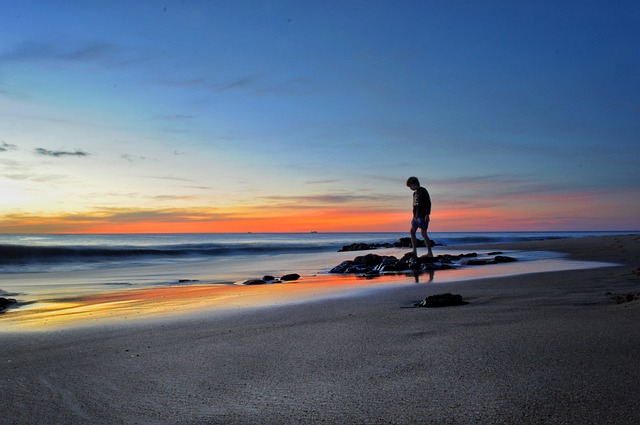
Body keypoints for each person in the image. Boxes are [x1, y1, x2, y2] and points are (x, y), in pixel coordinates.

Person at [406, 176, 433, 257]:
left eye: (411, 186)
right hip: (416, 216)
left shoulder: (423, 191)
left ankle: (430, 253)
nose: (410, 188)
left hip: (423, 215)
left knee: (423, 233)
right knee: (412, 232)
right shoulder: (414, 193)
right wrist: (414, 215)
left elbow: (428, 203)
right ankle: (414, 251)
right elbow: (414, 205)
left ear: (414, 184)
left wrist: (427, 214)